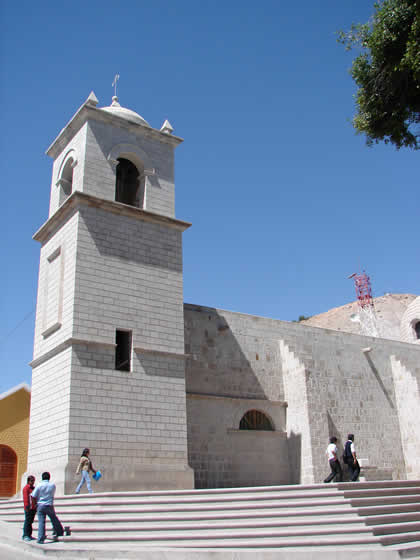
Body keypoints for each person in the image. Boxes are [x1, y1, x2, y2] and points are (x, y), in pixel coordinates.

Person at [31, 472, 64, 544]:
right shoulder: (52, 485)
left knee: (41, 522)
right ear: (49, 477)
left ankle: (40, 538)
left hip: (41, 505)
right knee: (54, 518)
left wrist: (34, 504)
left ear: (42, 477)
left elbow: (33, 496)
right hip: (49, 504)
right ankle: (60, 531)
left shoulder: (39, 485)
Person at [22, 475, 37, 542]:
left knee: (30, 522)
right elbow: (25, 498)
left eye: (33, 480)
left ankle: (29, 534)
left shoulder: (33, 488)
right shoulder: (26, 488)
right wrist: (27, 506)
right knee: (27, 521)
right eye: (31, 480)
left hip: (33, 507)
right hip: (28, 508)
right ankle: (25, 535)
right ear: (28, 481)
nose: (33, 482)